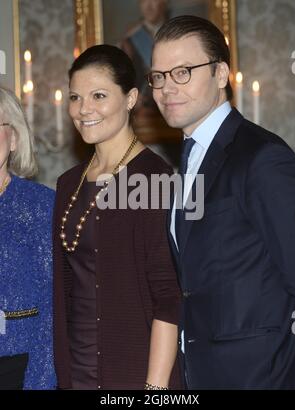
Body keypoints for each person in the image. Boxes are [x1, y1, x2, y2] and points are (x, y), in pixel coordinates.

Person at [149, 15, 295, 389]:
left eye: (182, 72)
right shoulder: (188, 158)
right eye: (158, 76)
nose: (167, 87)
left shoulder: (262, 157)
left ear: (221, 74)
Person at [53, 44, 181, 390]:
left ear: (130, 99)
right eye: (75, 98)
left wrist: (154, 388)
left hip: (135, 372)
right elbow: (65, 289)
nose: (83, 110)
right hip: (74, 372)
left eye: (98, 95)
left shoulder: (154, 178)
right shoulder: (68, 184)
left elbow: (168, 295)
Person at [0, 87, 56, 389]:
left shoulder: (41, 206)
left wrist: (42, 378)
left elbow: (54, 304)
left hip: (21, 366)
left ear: (15, 138)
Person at [121, 0, 169, 114]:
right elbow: (124, 77)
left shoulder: (175, 33)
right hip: (142, 113)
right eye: (143, 1)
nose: (148, 6)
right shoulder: (131, 38)